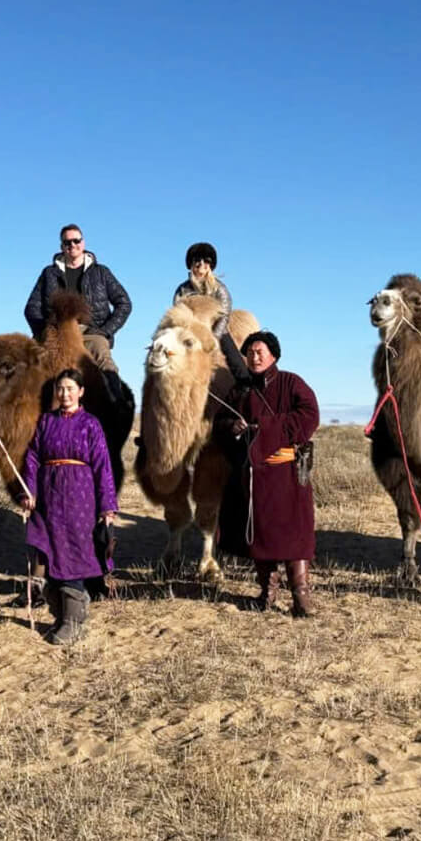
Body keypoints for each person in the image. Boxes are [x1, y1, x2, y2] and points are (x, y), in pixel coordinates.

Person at [214, 332, 321, 617]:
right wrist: (232, 427)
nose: (254, 356)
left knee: (296, 536)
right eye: (249, 352)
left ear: (274, 354)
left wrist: (265, 428)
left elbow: (310, 415)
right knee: (260, 536)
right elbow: (219, 424)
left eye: (260, 351)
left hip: (287, 473)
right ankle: (267, 593)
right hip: (255, 477)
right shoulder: (239, 391)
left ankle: (301, 598)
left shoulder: (291, 383)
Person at [18, 368, 119, 645]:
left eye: (70, 389)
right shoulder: (45, 422)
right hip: (48, 495)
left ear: (81, 391)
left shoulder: (91, 424)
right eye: (60, 389)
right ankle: (60, 617)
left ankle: (75, 622)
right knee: (49, 552)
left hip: (80, 497)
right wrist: (29, 490)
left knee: (73, 555)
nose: (64, 394)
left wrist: (107, 506)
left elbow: (102, 466)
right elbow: (32, 458)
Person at [23, 223, 132, 375]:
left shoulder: (101, 272)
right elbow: (31, 308)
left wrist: (105, 331)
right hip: (56, 332)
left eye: (76, 240)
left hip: (90, 332)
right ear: (62, 246)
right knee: (31, 371)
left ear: (83, 243)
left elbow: (124, 303)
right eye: (67, 242)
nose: (72, 245)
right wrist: (43, 331)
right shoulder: (49, 273)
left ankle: (116, 398)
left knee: (106, 364)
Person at [171, 241, 252, 382]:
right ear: (191, 264)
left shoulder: (219, 288)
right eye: (197, 260)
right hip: (189, 330)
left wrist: (213, 338)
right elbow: (176, 312)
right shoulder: (182, 290)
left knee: (237, 363)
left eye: (206, 261)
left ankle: (246, 387)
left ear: (211, 265)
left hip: (216, 329)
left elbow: (224, 314)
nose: (201, 264)